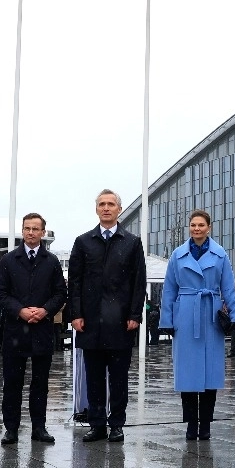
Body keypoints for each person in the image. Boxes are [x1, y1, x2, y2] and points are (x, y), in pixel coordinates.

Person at [69, 189, 147, 444]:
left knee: (119, 378)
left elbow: (139, 282)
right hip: (90, 323)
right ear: (96, 209)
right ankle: (97, 424)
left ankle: (117, 425)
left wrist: (135, 314)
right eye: (101, 204)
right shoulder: (83, 242)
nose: (106, 208)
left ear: (119, 209)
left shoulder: (132, 242)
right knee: (93, 378)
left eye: (111, 204)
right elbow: (75, 281)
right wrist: (76, 314)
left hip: (121, 322)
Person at [160, 209, 235, 440]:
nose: (197, 229)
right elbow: (169, 290)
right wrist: (167, 320)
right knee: (187, 373)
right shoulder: (178, 255)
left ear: (209, 227)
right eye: (193, 225)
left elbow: (228, 288)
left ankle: (205, 423)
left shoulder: (220, 254)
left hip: (211, 315)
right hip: (186, 314)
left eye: (201, 225)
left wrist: (234, 316)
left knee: (210, 372)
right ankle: (190, 423)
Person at [0, 212, 68, 446]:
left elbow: (60, 293)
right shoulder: (8, 260)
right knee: (12, 383)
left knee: (40, 383)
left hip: (42, 331)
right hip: (15, 330)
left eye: (36, 229)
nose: (31, 233)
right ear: (22, 231)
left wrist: (45, 310)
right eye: (27, 228)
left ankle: (39, 427)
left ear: (43, 233)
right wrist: (20, 310)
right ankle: (11, 428)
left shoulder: (52, 261)